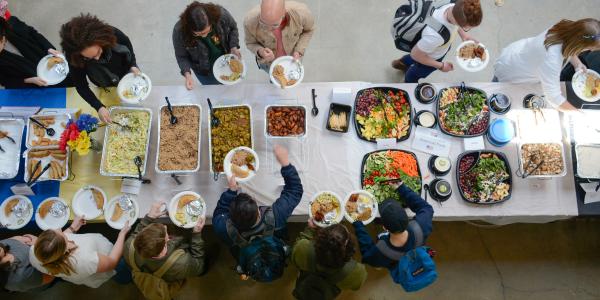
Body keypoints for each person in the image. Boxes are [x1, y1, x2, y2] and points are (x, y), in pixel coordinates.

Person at [212, 144, 303, 281]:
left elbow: (218, 213)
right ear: (259, 213)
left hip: (246, 253)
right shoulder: (276, 216)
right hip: (275, 239)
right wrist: (285, 163)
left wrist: (231, 192)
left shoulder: (223, 227)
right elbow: (295, 191)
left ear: (230, 218)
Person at [494, 18, 600, 111]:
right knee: (495, 92)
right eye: (589, 48)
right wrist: (579, 114)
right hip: (513, 72)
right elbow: (554, 98)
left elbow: (568, 45)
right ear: (578, 45)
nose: (589, 50)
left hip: (516, 54)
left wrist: (577, 64)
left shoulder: (567, 26)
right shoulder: (551, 60)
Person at [60, 13, 141, 123]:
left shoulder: (114, 34)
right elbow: (81, 86)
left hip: (126, 71)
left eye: (98, 51)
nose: (97, 58)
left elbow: (128, 49)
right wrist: (98, 107)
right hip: (102, 80)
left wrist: (133, 64)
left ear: (101, 40)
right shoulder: (74, 57)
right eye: (90, 58)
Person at [391, 0, 483, 83]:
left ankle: (401, 63)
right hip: (431, 56)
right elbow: (416, 55)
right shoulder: (435, 36)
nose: (466, 29)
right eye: (466, 28)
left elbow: (455, 23)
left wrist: (464, 35)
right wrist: (441, 66)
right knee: (416, 72)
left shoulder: (451, 4)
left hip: (430, 47)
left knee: (419, 53)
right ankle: (408, 82)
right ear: (457, 21)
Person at [29, 215, 131, 288]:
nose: (60, 228)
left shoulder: (34, 252)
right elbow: (112, 262)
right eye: (63, 235)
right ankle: (127, 279)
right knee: (121, 269)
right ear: (65, 250)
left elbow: (55, 243)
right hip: (109, 256)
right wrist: (122, 234)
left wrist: (73, 227)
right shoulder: (85, 260)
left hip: (91, 263)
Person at [352, 181, 433, 269]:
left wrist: (358, 224)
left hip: (394, 262)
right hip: (415, 248)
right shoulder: (422, 226)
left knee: (380, 265)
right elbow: (427, 208)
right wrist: (402, 188)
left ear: (384, 227)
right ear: (407, 218)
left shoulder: (381, 253)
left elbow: (367, 254)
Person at [124, 201, 208, 282]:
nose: (165, 226)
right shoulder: (181, 264)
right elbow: (199, 266)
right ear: (166, 243)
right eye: (165, 232)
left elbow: (136, 233)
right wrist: (196, 234)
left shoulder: (128, 245)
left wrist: (149, 218)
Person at [173, 1, 241, 89]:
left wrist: (233, 46)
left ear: (211, 20)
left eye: (206, 31)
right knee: (213, 90)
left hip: (227, 61)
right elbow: (181, 56)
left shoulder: (221, 15)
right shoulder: (179, 31)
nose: (204, 35)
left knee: (229, 88)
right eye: (198, 34)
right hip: (203, 70)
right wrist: (187, 74)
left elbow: (233, 28)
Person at [291, 222, 367, 299]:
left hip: (305, 285)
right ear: (346, 245)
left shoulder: (302, 249)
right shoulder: (357, 273)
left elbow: (295, 259)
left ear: (321, 237)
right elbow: (355, 287)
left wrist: (310, 229)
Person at [244, 0, 315, 71]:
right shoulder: (249, 21)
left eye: (275, 25)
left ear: (284, 12)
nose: (269, 30)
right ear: (261, 9)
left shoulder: (301, 14)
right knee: (273, 80)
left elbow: (309, 30)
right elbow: (250, 43)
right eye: (263, 24)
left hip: (292, 60)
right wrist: (261, 51)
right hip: (268, 64)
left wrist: (299, 50)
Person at [0, 15, 66, 88]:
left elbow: (33, 33)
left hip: (49, 63)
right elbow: (4, 80)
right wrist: (27, 80)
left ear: (3, 38)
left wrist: (48, 48)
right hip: (33, 85)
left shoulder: (13, 25)